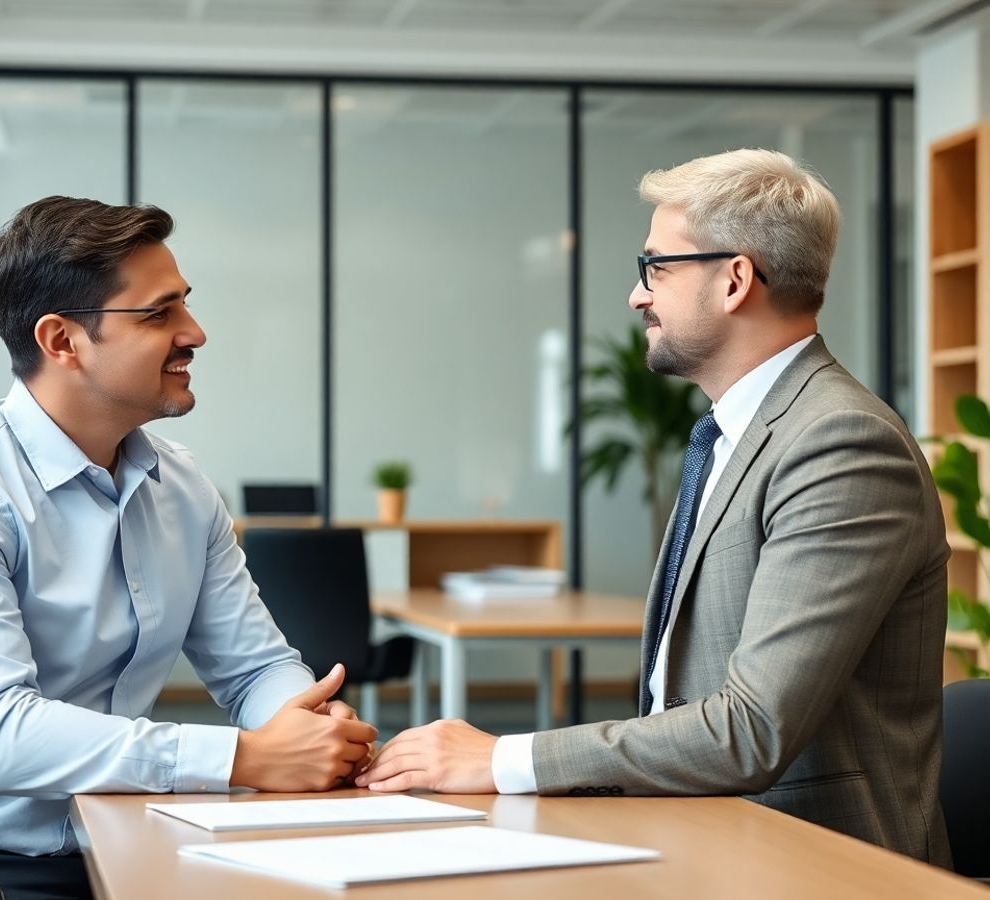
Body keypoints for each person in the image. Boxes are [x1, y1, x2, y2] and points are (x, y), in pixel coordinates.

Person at [356, 148, 952, 867]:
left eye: (657, 267)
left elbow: (752, 730)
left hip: (822, 863)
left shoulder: (840, 443)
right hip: (707, 837)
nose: (639, 295)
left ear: (734, 280)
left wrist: (504, 760)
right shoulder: (731, 434)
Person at [0, 196, 377, 899]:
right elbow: (4, 737)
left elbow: (252, 669)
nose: (195, 333)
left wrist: (307, 724)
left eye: (185, 304)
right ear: (62, 341)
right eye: (159, 314)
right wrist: (246, 756)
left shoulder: (180, 485)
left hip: (112, 843)